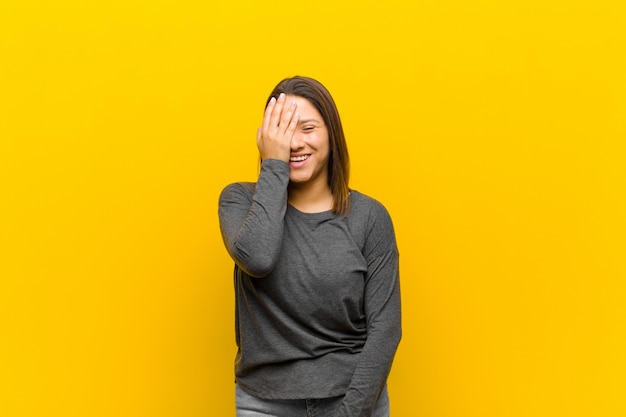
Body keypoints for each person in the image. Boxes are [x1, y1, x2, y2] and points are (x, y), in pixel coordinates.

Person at [218, 76, 402, 417]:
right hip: (265, 405)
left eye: (307, 128)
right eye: (283, 130)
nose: (295, 143)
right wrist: (274, 164)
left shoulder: (369, 218)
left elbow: (385, 330)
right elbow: (258, 258)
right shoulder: (240, 201)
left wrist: (350, 413)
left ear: (331, 134)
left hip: (353, 401)